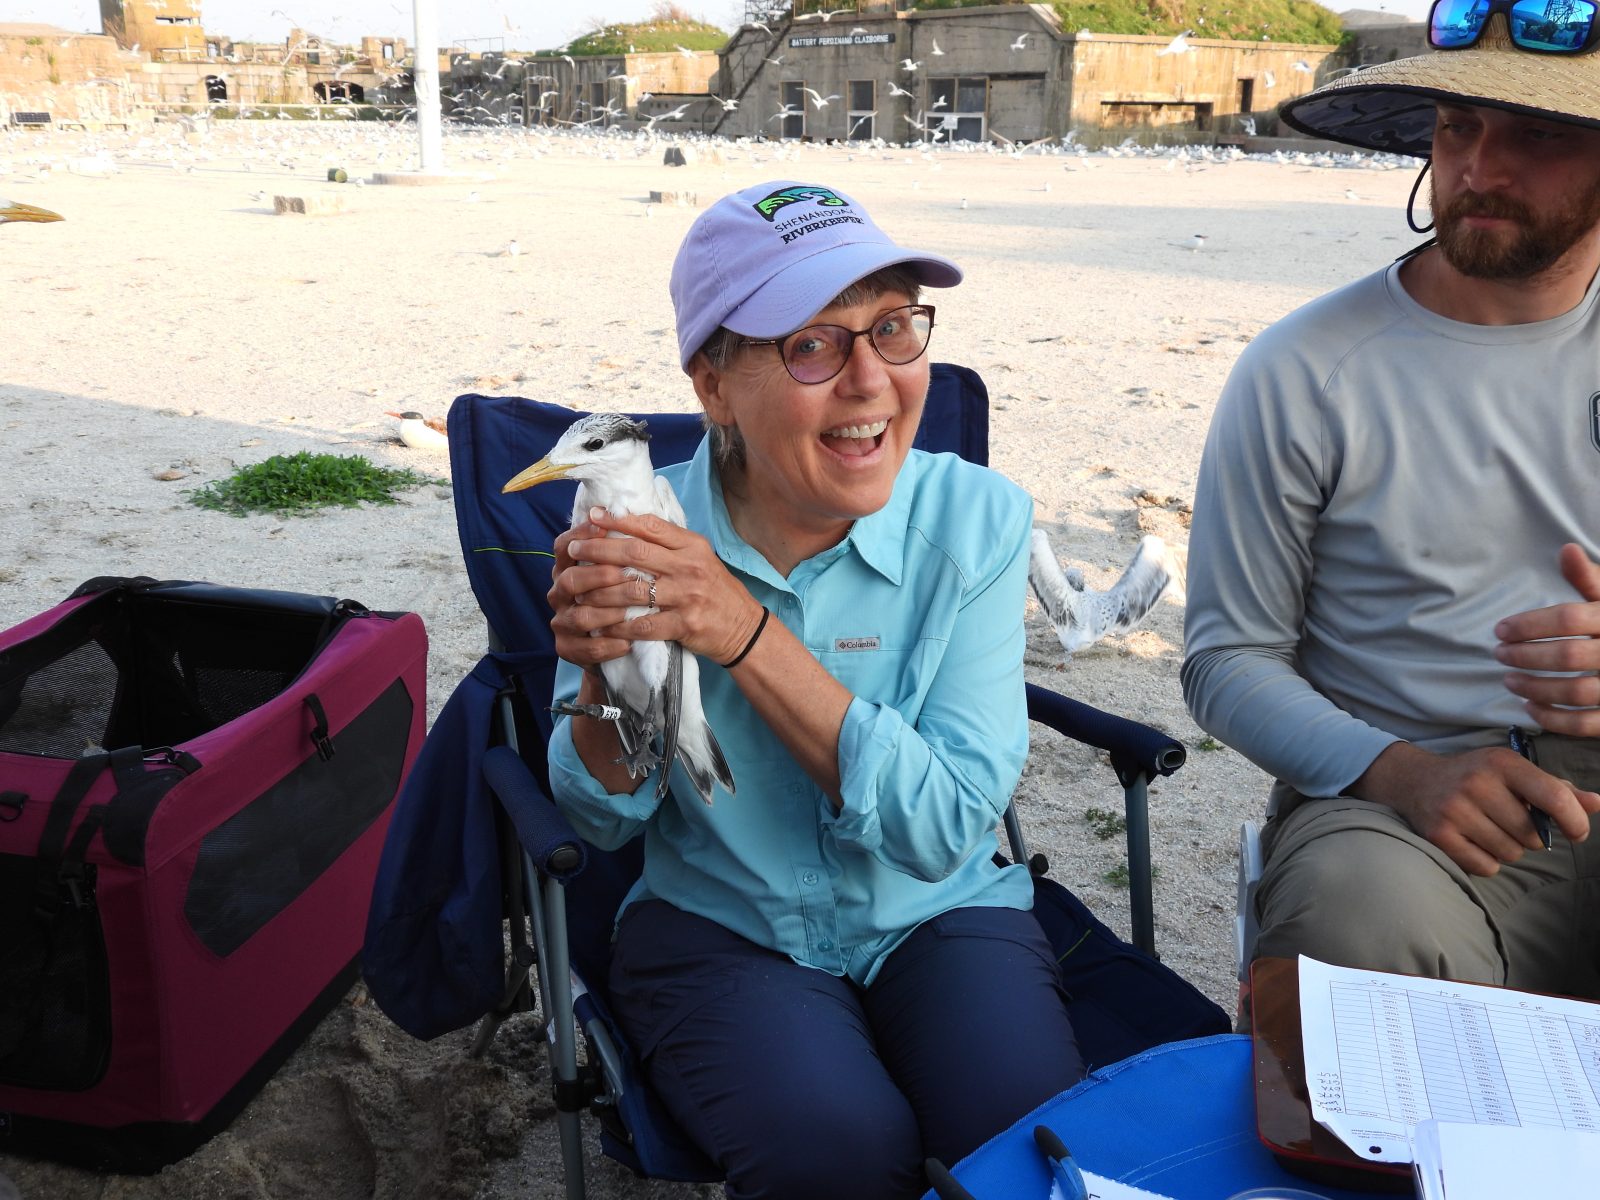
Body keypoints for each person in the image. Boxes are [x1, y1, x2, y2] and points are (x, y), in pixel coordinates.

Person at [543, 181, 1083, 1198]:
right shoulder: (641, 532)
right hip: (720, 922)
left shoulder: (975, 522)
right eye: (812, 345)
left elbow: (949, 825)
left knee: (1025, 1148)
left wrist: (740, 633)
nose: (871, 382)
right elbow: (599, 815)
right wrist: (607, 672)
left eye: (891, 328)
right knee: (836, 1148)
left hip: (938, 907)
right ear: (712, 382)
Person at [1184, 10, 1600, 1005]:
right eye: (1457, 125)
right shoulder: (1306, 369)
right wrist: (1405, 774)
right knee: (1351, 921)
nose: (1480, 168)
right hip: (1400, 805)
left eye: (1536, 134)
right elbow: (1225, 661)